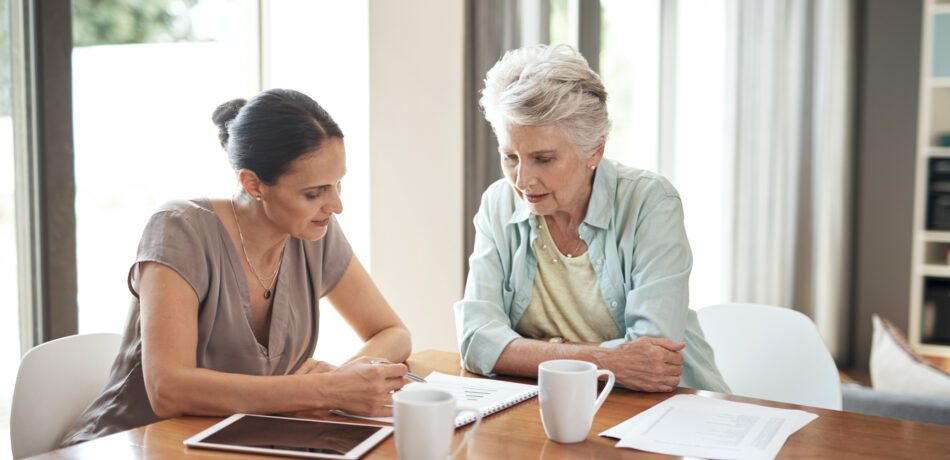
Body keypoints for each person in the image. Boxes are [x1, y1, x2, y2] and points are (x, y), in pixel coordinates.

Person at [62, 89, 412, 446]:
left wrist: (344, 378)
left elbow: (393, 332)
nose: (336, 205)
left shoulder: (314, 234)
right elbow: (168, 390)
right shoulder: (179, 230)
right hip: (127, 445)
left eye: (338, 184)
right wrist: (321, 390)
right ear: (253, 183)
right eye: (314, 193)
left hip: (235, 446)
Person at [454, 44, 729, 393]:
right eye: (510, 157)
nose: (522, 181)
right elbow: (476, 341)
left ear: (594, 150)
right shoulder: (498, 203)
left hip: (664, 410)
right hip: (551, 403)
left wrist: (522, 353)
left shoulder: (650, 203)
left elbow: (652, 358)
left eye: (543, 159)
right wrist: (608, 361)